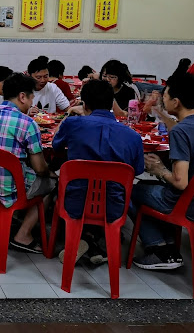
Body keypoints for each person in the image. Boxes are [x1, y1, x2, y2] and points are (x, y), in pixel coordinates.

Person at [52, 80, 143, 264]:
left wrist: (70, 116)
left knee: (58, 188)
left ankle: (84, 239)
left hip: (74, 202)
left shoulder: (73, 124)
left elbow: (56, 145)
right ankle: (96, 242)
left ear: (84, 104)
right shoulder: (133, 136)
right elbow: (138, 170)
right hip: (114, 207)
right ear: (112, 104)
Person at [131, 73, 194, 270]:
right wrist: (163, 116)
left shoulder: (182, 132)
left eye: (165, 96)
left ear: (176, 101)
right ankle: (169, 245)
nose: (163, 100)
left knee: (130, 191)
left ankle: (159, 249)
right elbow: (185, 129)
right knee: (147, 188)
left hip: (188, 203)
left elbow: (180, 182)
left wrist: (159, 169)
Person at [0, 73, 55, 253]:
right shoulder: (27, 123)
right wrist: (51, 173)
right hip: (8, 190)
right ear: (22, 96)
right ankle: (23, 234)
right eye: (31, 98)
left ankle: (11, 220)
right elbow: (40, 168)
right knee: (51, 184)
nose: (32, 103)